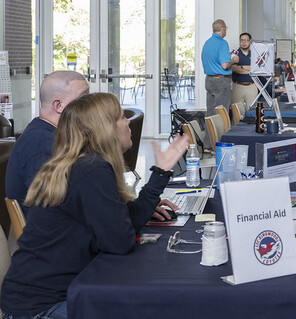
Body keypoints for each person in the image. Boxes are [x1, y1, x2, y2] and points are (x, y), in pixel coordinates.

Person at [0, 92, 190, 318]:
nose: (128, 122)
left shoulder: (83, 164)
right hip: (41, 307)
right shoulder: (92, 170)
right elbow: (121, 242)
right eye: (121, 117)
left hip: (32, 297)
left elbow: (118, 225)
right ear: (106, 129)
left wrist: (159, 176)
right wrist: (159, 174)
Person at [5, 70, 90, 216]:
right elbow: (50, 210)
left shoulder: (50, 134)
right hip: (55, 236)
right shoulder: (41, 143)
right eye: (83, 99)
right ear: (58, 106)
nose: (90, 106)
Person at [201, 19, 239, 116]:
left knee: (210, 113)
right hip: (220, 81)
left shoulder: (207, 43)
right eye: (225, 27)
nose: (226, 30)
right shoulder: (222, 43)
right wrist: (233, 61)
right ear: (222, 28)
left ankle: (209, 132)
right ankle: (222, 132)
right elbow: (225, 65)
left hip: (209, 80)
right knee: (222, 113)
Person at [230, 32, 258, 109]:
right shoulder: (234, 54)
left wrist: (241, 67)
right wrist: (250, 69)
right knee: (237, 113)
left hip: (252, 86)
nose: (244, 42)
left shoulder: (254, 55)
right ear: (239, 42)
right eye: (242, 40)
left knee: (252, 112)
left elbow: (257, 69)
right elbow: (234, 69)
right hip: (237, 87)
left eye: (246, 40)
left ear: (250, 42)